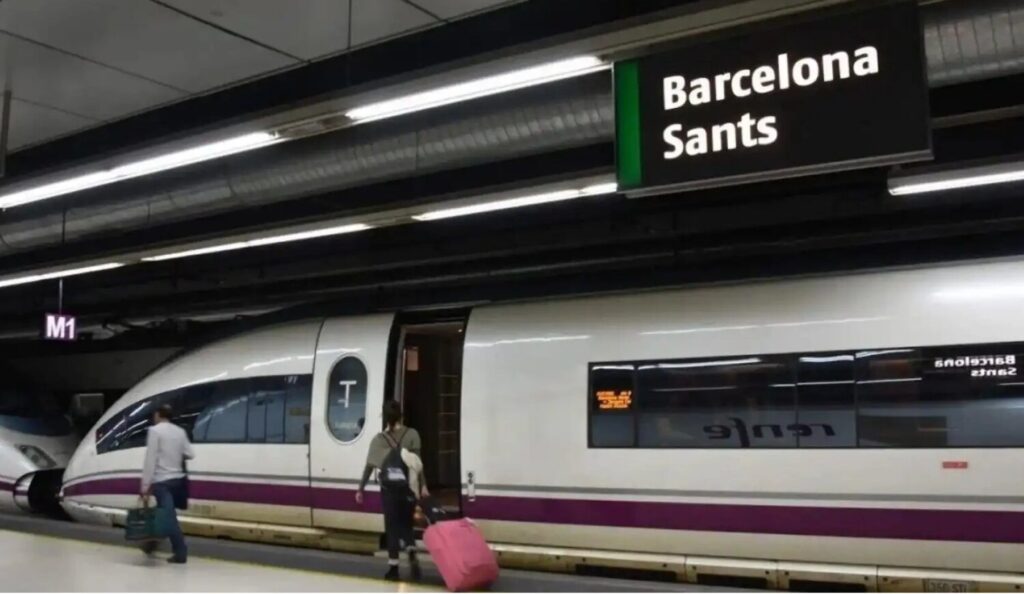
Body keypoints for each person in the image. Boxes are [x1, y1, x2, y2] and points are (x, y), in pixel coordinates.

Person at [355, 400, 427, 581]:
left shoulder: (378, 440)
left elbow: (369, 466)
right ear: (401, 415)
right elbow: (418, 464)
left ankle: (393, 569)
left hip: (389, 491)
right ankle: (411, 550)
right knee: (406, 524)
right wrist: (423, 486)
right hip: (408, 489)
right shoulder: (412, 434)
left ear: (385, 418)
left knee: (392, 526)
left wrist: (360, 488)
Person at [140, 404, 194, 564]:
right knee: (165, 515)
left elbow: (150, 460)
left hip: (162, 482)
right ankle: (151, 544)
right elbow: (190, 454)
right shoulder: (180, 431)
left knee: (169, 518)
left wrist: (144, 487)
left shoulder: (155, 431)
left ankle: (180, 552)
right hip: (178, 481)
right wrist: (175, 455)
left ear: (158, 415)